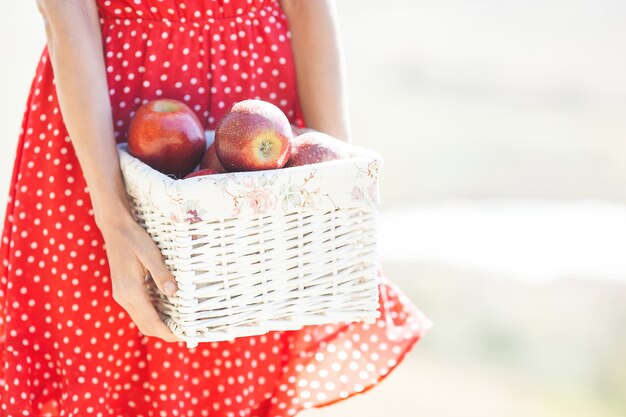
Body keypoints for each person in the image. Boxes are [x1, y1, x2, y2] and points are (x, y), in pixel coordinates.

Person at [0, 0, 431, 415]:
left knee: (238, 365)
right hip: (107, 123)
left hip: (257, 104)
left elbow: (307, 4)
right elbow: (66, 10)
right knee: (102, 354)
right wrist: (113, 217)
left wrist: (330, 191)